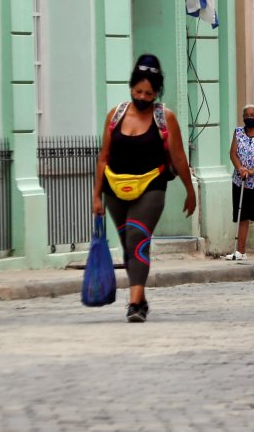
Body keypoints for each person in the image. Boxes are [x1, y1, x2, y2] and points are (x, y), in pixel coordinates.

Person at [93, 54, 196, 322]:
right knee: (129, 245)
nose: (142, 97)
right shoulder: (115, 115)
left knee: (138, 238)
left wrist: (190, 190)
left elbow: (179, 157)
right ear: (130, 88)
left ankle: (134, 302)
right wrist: (96, 196)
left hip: (152, 185)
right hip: (114, 188)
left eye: (148, 93)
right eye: (138, 91)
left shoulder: (164, 117)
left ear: (156, 92)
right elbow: (103, 157)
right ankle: (141, 296)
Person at [224, 104, 254, 261]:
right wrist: (240, 168)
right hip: (240, 180)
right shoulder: (238, 132)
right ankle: (240, 251)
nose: (249, 117)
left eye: (252, 115)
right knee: (242, 216)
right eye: (246, 115)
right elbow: (232, 153)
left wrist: (253, 170)